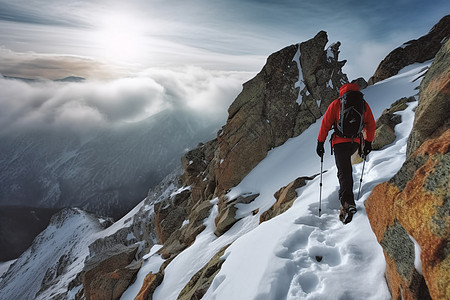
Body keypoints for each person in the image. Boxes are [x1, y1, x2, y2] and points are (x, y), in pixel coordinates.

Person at [316, 83, 376, 224]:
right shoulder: (363, 104)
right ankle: (344, 195)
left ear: (341, 92)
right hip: (354, 142)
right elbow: (371, 124)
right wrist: (368, 143)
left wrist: (320, 143)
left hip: (339, 142)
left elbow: (325, 123)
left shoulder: (337, 103)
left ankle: (348, 203)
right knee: (344, 170)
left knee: (344, 170)